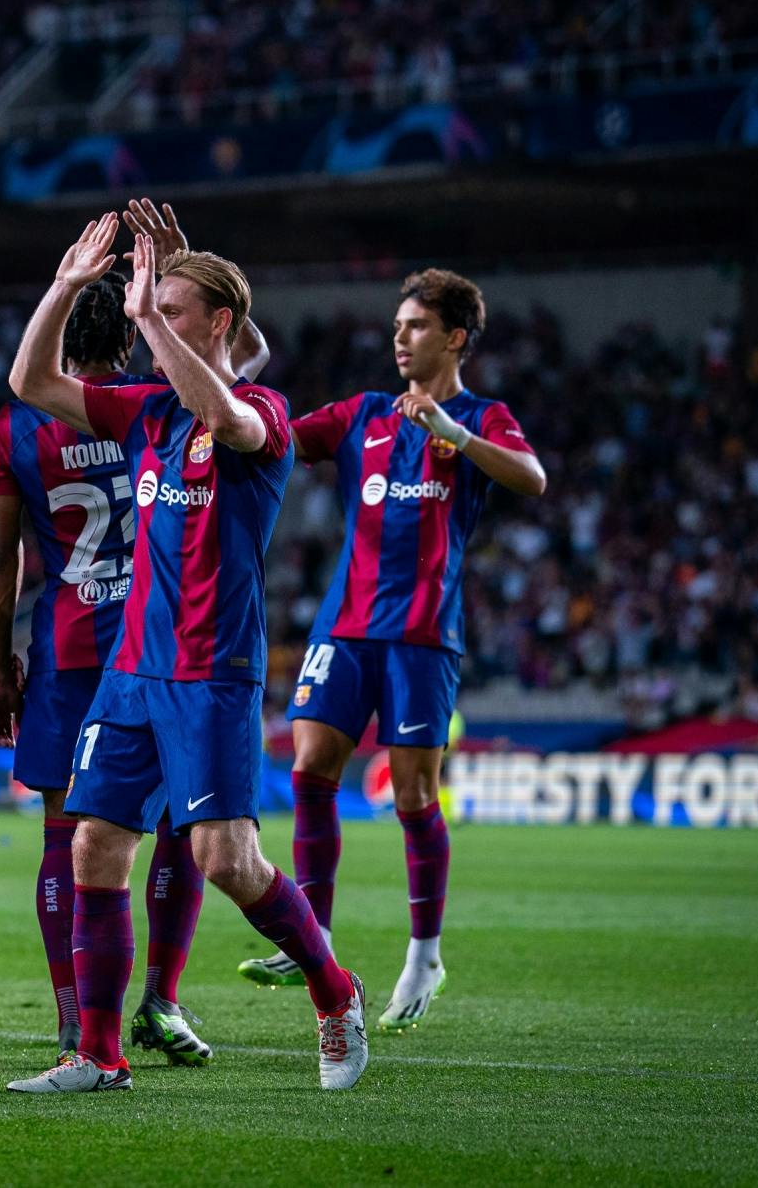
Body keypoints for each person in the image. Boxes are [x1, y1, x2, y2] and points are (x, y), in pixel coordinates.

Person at [4, 218, 367, 1095]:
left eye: (166, 309)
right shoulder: (148, 412)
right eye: (144, 309)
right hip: (132, 669)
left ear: (216, 323)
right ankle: (97, 1054)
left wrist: (155, 318)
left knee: (225, 859)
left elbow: (228, 412)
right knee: (94, 844)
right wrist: (64, 285)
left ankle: (334, 987)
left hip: (213, 674)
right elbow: (28, 380)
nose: (143, 321)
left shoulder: (263, 417)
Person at [0, 198, 267, 1069]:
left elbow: (1, 560)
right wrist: (185, 298)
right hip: (160, 636)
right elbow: (246, 365)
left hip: (71, 648)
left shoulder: (24, 428)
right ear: (135, 337)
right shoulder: (156, 405)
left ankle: (78, 1019)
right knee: (178, 829)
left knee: (71, 836)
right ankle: (159, 1001)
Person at [238, 268, 545, 1034]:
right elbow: (276, 437)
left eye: (414, 325)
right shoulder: (361, 415)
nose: (399, 337)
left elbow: (533, 479)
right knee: (309, 764)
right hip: (344, 625)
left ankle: (426, 952)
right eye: (397, 324)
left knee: (412, 795)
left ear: (454, 337)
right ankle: (314, 934)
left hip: (421, 636)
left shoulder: (482, 415)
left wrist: (457, 435)